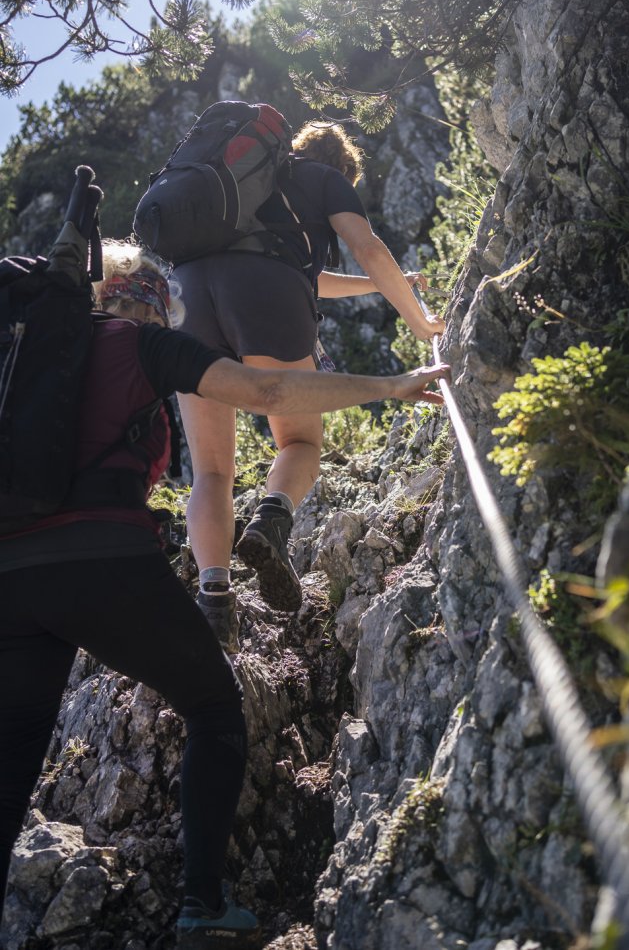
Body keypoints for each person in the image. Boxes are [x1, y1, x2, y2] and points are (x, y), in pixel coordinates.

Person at [0, 242, 448, 947]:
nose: (158, 302)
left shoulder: (25, 360)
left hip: (11, 573)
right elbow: (270, 393)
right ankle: (203, 903)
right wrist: (388, 385)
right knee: (212, 705)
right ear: (141, 295)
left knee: (12, 758)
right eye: (155, 293)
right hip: (102, 557)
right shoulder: (142, 345)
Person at [171, 120, 445, 646]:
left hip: (186, 298)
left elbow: (312, 275)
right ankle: (271, 522)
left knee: (210, 468)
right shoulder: (325, 177)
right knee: (299, 439)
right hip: (263, 291)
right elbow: (366, 247)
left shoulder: (245, 188)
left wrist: (384, 287)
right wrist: (419, 320)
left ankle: (214, 598)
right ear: (345, 166)